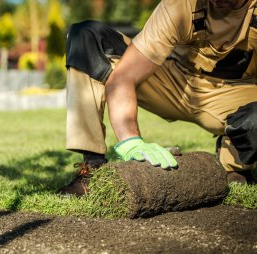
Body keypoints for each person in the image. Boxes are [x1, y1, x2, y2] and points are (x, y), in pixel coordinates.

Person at [59, 0, 257, 196]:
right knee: (85, 35)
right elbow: (124, 76)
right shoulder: (179, 5)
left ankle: (235, 164)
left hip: (235, 93)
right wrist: (131, 142)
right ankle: (92, 167)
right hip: (173, 82)